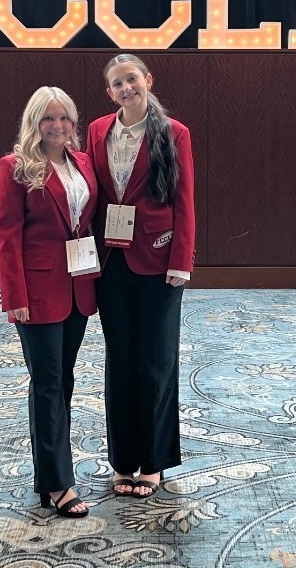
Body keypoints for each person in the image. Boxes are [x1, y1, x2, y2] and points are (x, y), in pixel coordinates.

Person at [86, 53, 195, 499]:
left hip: (158, 259)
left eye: (132, 79)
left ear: (148, 80)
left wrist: (181, 260)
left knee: (156, 360)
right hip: (111, 261)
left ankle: (152, 462)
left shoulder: (174, 132)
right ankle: (122, 460)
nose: (126, 88)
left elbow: (185, 199)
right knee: (120, 360)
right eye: (117, 83)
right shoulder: (97, 130)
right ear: (109, 92)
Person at [0, 86, 99, 518]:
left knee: (63, 380)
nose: (58, 126)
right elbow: (5, 235)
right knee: (48, 382)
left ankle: (52, 471)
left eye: (65, 118)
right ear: (34, 122)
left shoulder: (83, 163)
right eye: (49, 118)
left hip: (77, 287)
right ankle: (57, 482)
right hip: (36, 293)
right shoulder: (16, 167)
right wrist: (13, 295)